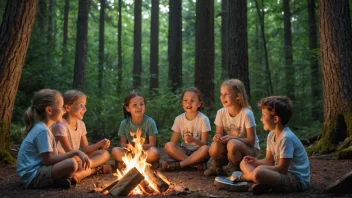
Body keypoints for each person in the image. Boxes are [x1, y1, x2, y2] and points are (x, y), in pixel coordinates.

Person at [17, 89, 91, 189]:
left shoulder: (45, 128)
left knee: (74, 164)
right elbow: (49, 160)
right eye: (61, 107)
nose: (64, 110)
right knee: (72, 163)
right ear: (49, 110)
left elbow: (55, 156)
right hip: (31, 176)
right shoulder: (43, 130)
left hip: (36, 172)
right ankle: (52, 182)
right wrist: (75, 153)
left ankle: (57, 182)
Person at [236, 96, 310, 194]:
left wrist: (258, 168)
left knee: (259, 172)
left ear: (275, 119)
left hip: (296, 180)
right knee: (244, 163)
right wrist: (255, 161)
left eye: (263, 116)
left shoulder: (286, 138)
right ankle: (262, 182)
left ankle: (248, 177)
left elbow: (282, 169)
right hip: (281, 175)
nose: (261, 119)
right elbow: (269, 160)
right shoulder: (271, 135)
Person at [204, 79, 260, 176]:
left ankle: (234, 167)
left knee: (232, 143)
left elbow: (251, 140)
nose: (222, 97)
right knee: (214, 146)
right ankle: (217, 165)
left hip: (249, 149)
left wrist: (233, 137)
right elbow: (219, 134)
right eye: (221, 94)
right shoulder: (221, 112)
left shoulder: (247, 114)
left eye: (226, 94)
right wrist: (218, 137)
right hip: (230, 147)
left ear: (238, 96)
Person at [52, 90, 111, 182]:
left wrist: (100, 144)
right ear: (68, 107)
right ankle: (92, 170)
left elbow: (86, 149)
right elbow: (69, 152)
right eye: (80, 105)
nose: (85, 108)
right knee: (77, 165)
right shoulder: (61, 125)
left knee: (105, 154)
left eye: (84, 105)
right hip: (65, 159)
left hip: (77, 157)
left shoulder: (81, 124)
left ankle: (88, 168)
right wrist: (83, 160)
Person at [161, 87, 211, 171]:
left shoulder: (203, 119)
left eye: (192, 100)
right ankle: (193, 164)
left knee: (206, 149)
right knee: (168, 145)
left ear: (199, 104)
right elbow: (173, 142)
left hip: (198, 152)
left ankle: (180, 165)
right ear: (182, 103)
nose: (189, 103)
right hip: (184, 151)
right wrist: (173, 150)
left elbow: (204, 143)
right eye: (185, 100)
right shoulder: (179, 119)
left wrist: (193, 140)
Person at [111, 92, 159, 170]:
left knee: (154, 152)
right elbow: (122, 143)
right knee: (115, 151)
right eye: (135, 105)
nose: (139, 107)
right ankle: (139, 164)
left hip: (145, 153)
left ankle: (132, 164)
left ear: (145, 106)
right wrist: (129, 147)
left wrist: (138, 146)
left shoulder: (150, 122)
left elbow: (152, 144)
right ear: (128, 108)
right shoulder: (124, 123)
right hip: (130, 153)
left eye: (141, 104)